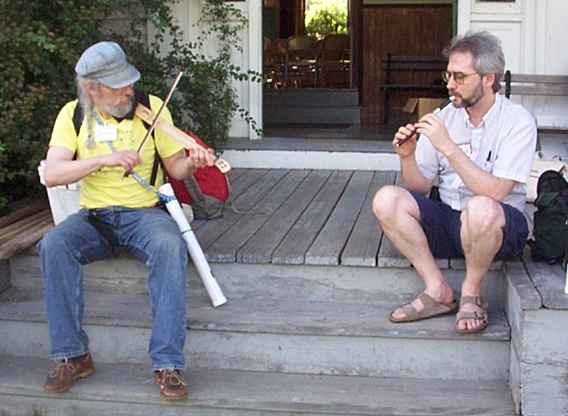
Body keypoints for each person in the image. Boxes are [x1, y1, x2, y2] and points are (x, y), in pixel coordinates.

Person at [38, 41, 215, 399]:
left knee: (168, 244)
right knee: (53, 244)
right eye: (117, 86)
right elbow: (52, 173)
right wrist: (103, 160)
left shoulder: (151, 110)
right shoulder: (72, 114)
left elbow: (175, 168)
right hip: (94, 217)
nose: (128, 91)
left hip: (145, 214)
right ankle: (73, 355)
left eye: (128, 82)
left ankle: (168, 363)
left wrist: (193, 162)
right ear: (92, 88)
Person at [372, 31, 536, 334]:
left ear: (488, 78)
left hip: (498, 229)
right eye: (448, 75)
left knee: (482, 207)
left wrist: (448, 146)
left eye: (459, 77)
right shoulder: (444, 117)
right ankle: (438, 290)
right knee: (386, 199)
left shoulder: (518, 122)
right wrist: (407, 157)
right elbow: (418, 189)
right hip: (450, 221)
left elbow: (497, 192)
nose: (449, 85)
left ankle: (472, 294)